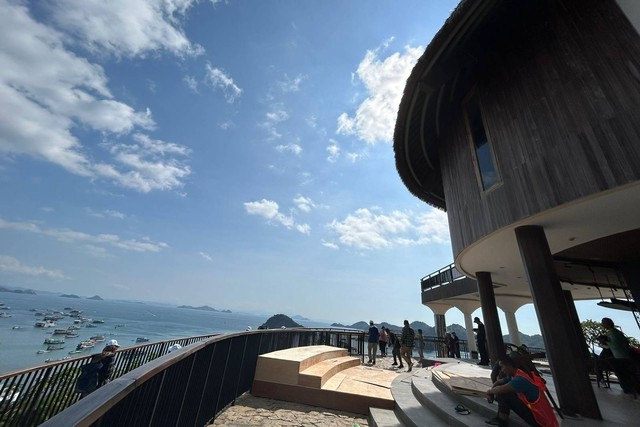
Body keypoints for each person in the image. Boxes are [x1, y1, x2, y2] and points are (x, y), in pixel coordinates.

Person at [486, 357, 558, 427]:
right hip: (539, 416)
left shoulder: (520, 379)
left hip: (542, 421)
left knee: (504, 394)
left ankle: (502, 423)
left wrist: (489, 392)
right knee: (502, 392)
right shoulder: (516, 374)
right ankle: (500, 419)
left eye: (502, 367)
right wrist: (492, 391)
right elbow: (499, 382)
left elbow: (501, 389)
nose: (502, 370)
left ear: (508, 366)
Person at [601, 317, 637, 393]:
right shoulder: (618, 332)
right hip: (625, 355)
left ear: (607, 324)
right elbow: (626, 343)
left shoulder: (612, 333)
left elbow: (615, 345)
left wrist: (605, 342)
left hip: (619, 356)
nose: (602, 325)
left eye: (603, 323)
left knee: (622, 373)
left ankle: (628, 388)